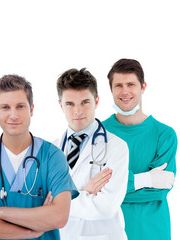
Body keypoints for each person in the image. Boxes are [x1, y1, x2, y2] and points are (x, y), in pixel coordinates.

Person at [0, 74, 78, 240]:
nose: (13, 115)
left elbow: (59, 217)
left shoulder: (52, 156)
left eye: (20, 106)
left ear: (32, 109)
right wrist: (30, 231)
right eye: (5, 107)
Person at [103, 58, 177, 240]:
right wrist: (146, 179)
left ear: (143, 87)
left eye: (131, 84)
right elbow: (95, 189)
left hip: (152, 233)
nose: (125, 91)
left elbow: (161, 189)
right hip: (107, 232)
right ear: (111, 89)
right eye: (118, 85)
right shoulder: (99, 133)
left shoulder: (164, 135)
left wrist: (115, 189)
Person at [53, 68, 129, 240]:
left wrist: (59, 202)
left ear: (96, 101)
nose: (78, 111)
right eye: (70, 104)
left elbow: (105, 207)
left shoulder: (117, 147)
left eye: (85, 102)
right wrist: (85, 193)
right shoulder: (51, 150)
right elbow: (40, 203)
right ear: (60, 105)